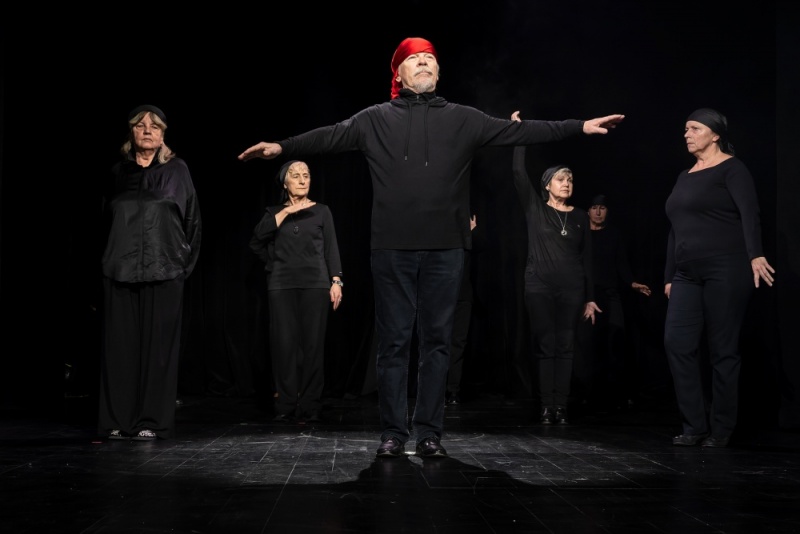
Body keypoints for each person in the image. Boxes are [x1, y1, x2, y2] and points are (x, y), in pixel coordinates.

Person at [238, 36, 624, 458]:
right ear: (399, 72)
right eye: (414, 59)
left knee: (437, 343)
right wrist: (282, 147)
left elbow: (522, 130)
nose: (423, 63)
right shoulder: (375, 119)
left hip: (447, 250)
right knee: (394, 343)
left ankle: (428, 433)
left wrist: (579, 126)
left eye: (430, 59)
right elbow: (329, 137)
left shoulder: (463, 118)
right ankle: (392, 432)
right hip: (391, 249)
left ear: (438, 72)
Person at [664, 107, 775, 448]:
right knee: (677, 343)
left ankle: (722, 428)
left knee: (722, 349)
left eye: (694, 128)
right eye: (685, 129)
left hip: (725, 268)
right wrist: (669, 276)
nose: (686, 134)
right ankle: (694, 425)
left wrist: (755, 253)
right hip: (686, 274)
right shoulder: (684, 176)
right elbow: (675, 227)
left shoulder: (732, 169)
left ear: (714, 134)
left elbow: (749, 213)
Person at [98, 105, 202, 441]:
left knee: (158, 353)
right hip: (120, 270)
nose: (147, 130)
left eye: (154, 126)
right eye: (140, 125)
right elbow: (103, 221)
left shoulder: (177, 171)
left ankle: (152, 421)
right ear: (131, 131)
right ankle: (118, 419)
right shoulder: (117, 172)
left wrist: (181, 267)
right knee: (120, 350)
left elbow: (192, 222)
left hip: (164, 270)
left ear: (163, 134)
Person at [510, 110, 602, 425]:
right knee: (546, 345)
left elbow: (587, 258)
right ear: (547, 185)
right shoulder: (535, 208)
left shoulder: (579, 216)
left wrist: (590, 297)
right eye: (561, 180)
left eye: (570, 180)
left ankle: (560, 405)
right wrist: (519, 136)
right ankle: (546, 405)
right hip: (539, 286)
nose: (567, 183)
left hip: (571, 289)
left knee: (565, 345)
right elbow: (518, 173)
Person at [249, 160, 343, 424]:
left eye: (306, 175)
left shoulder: (322, 211)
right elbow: (257, 241)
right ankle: (286, 403)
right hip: (281, 285)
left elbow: (331, 248)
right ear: (284, 182)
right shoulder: (273, 213)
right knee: (285, 346)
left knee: (313, 345)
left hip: (316, 284)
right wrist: (286, 213)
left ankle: (311, 403)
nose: (302, 180)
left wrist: (336, 280)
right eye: (296, 175)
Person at [574, 195, 651, 410]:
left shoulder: (614, 234)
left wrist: (632, 283)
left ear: (607, 211)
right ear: (588, 211)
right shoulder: (581, 234)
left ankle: (617, 393)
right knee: (588, 345)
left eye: (602, 208)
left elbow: (621, 263)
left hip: (610, 294)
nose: (598, 212)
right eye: (594, 208)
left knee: (615, 342)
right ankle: (587, 393)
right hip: (587, 296)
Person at [445, 215, 477, 407]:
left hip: (462, 297)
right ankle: (436, 389)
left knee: (457, 343)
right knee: (437, 344)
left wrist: (470, 233)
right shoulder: (440, 243)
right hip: (441, 298)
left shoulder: (467, 244)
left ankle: (453, 390)